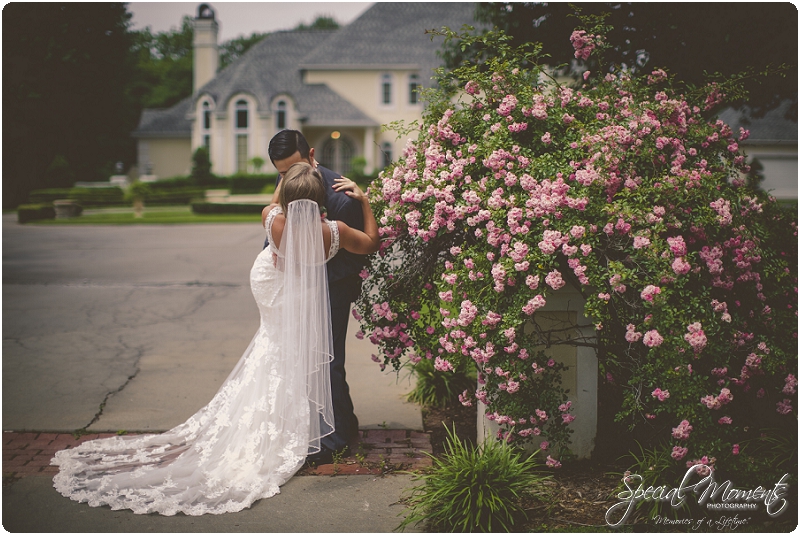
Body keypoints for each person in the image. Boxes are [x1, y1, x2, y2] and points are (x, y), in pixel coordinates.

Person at [51, 162, 381, 516]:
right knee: (285, 354)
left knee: (271, 348)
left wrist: (286, 185)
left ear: (285, 196)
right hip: (299, 296)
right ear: (320, 199)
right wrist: (363, 199)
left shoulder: (271, 217)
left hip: (270, 286)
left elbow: (275, 204)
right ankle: (284, 428)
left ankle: (268, 422)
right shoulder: (335, 231)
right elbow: (372, 243)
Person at [263, 130, 368, 464]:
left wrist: (312, 274)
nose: (288, 179)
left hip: (332, 290)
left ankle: (336, 439)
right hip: (295, 291)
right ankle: (346, 424)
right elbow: (274, 237)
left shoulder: (340, 196)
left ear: (310, 155)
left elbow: (356, 256)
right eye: (281, 174)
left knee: (329, 361)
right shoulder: (288, 189)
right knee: (314, 362)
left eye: (293, 169)